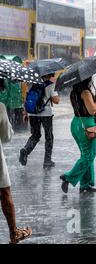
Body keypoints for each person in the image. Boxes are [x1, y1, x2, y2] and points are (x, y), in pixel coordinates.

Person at [0, 79, 32, 244]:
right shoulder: (0, 107)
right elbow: (6, 137)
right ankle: (14, 233)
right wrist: (10, 128)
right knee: (5, 193)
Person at [60, 77, 96, 194]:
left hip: (76, 123)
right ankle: (68, 177)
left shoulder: (74, 92)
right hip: (86, 125)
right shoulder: (85, 92)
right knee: (89, 155)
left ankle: (86, 184)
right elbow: (92, 110)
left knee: (86, 155)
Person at [20, 74, 60, 168]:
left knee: (35, 135)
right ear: (49, 74)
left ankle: (26, 150)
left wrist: (25, 113)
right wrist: (56, 95)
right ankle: (47, 161)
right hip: (46, 114)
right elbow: (56, 100)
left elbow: (26, 99)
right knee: (49, 137)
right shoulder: (50, 85)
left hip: (33, 113)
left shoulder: (31, 83)